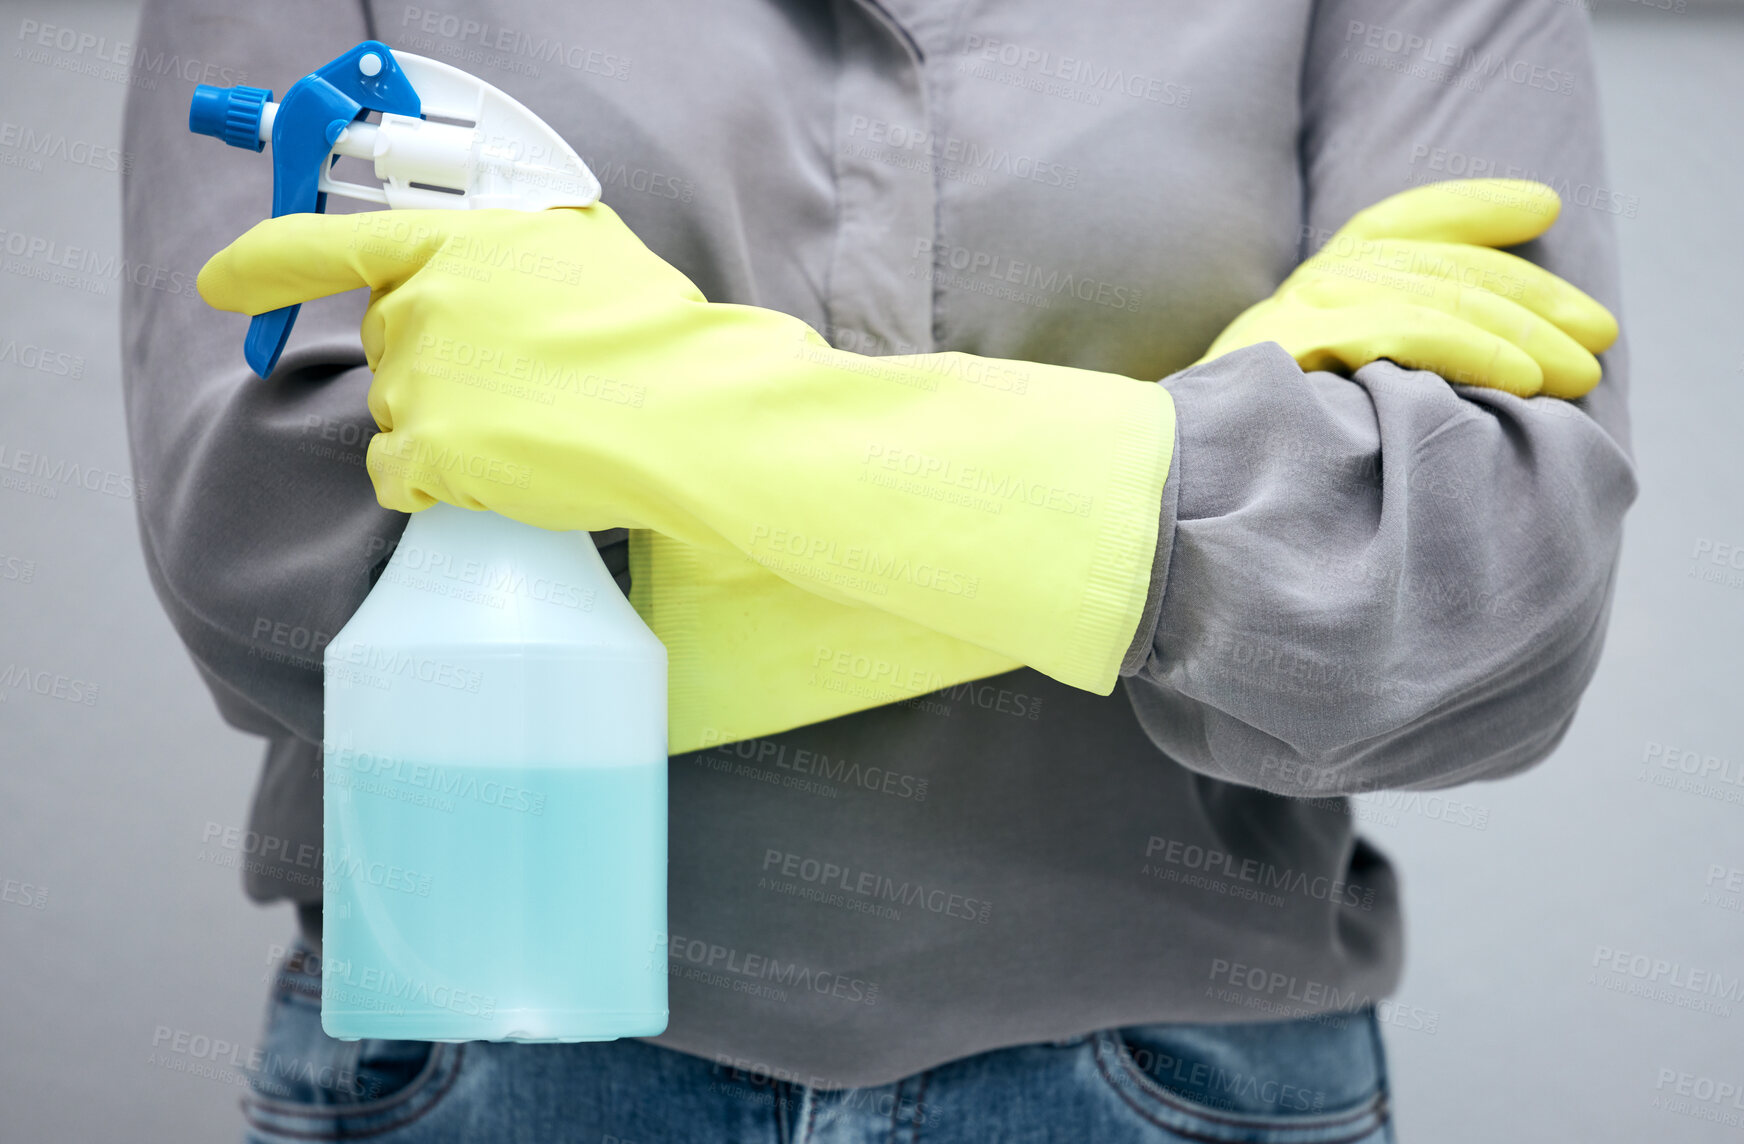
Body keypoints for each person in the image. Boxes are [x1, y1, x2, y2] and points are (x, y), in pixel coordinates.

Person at [121, 1, 1636, 1141]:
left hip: (1187, 1086)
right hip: (480, 1067)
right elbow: (276, 576)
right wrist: (1206, 442)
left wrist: (649, 404)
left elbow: (1480, 597)